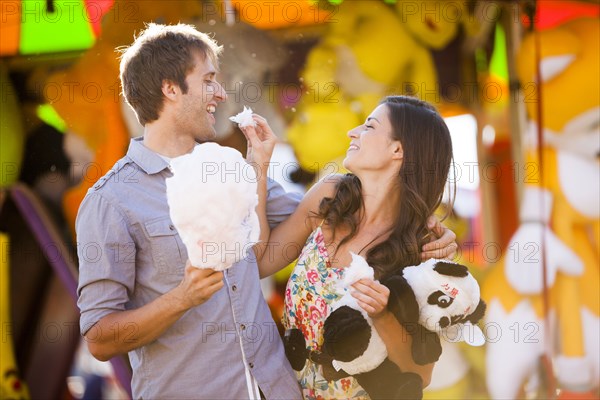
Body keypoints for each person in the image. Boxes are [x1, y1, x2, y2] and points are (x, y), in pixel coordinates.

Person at [75, 23, 304, 399]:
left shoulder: (229, 167)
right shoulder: (110, 201)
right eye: (209, 80)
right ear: (170, 88)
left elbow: (314, 215)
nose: (220, 93)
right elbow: (100, 336)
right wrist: (183, 298)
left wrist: (418, 216)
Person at [241, 95, 457, 399]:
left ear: (398, 149)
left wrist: (383, 315)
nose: (352, 132)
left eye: (369, 126)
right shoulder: (331, 196)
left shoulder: (421, 252)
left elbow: (419, 375)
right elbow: (260, 262)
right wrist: (258, 167)